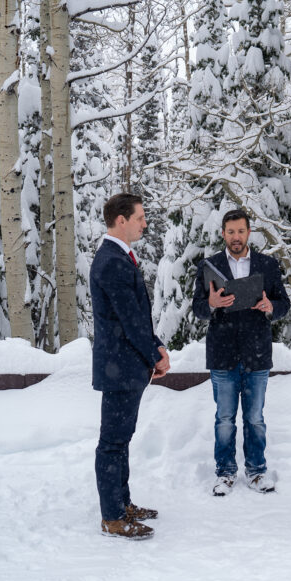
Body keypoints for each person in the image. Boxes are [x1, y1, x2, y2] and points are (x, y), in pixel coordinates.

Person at [192, 209, 291, 496]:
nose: (236, 237)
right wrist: (211, 303)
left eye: (241, 231)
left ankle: (257, 471)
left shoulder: (268, 266)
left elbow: (283, 303)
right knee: (224, 418)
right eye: (231, 232)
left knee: (255, 418)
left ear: (249, 233)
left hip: (257, 354)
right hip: (222, 354)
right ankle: (225, 473)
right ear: (223, 233)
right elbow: (198, 308)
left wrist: (270, 306)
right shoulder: (209, 266)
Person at [90, 193, 171, 541]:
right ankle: (112, 517)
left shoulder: (118, 257)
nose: (145, 223)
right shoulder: (111, 261)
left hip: (125, 366)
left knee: (121, 441)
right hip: (119, 368)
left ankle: (122, 505)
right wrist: (155, 352)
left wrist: (154, 349)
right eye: (140, 217)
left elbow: (134, 317)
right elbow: (131, 320)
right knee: (112, 443)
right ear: (121, 220)